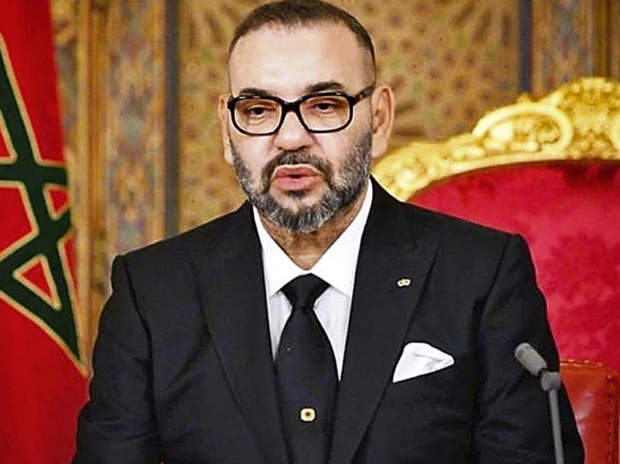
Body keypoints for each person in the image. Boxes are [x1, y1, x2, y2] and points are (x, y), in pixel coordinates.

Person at [73, 1, 584, 463]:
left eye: (324, 106)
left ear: (378, 119)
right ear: (228, 132)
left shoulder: (483, 275)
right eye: (258, 110)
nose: (290, 137)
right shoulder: (151, 294)